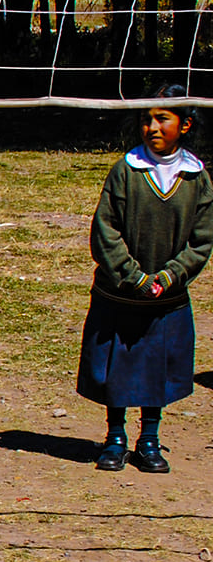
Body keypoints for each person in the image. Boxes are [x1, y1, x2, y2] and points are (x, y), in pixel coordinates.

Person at [77, 84, 211, 473]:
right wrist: (132, 276)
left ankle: (149, 439)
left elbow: (202, 241)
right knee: (116, 367)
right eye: (145, 120)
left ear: (185, 125)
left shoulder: (196, 179)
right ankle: (115, 438)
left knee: (158, 367)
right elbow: (106, 231)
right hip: (121, 293)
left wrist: (170, 276)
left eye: (162, 119)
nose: (151, 128)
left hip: (167, 297)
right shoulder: (126, 171)